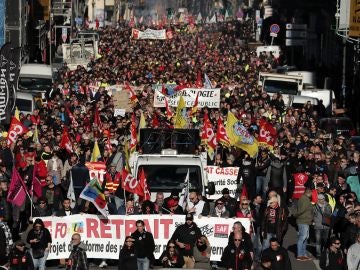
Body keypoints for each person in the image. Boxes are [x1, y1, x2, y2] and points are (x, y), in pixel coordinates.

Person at [293, 188, 314, 261]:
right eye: (311, 193)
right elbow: (302, 210)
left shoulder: (304, 198)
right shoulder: (304, 199)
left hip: (306, 221)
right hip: (303, 221)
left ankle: (304, 254)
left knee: (305, 238)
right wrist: (296, 215)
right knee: (302, 237)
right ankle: (299, 255)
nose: (312, 195)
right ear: (309, 192)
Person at [313, 193, 332, 258]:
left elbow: (329, 214)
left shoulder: (328, 205)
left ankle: (324, 252)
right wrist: (314, 221)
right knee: (318, 241)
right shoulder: (315, 206)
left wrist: (324, 210)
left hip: (326, 226)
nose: (321, 200)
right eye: (319, 199)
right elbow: (312, 214)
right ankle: (318, 254)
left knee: (325, 240)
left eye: (322, 199)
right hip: (318, 225)